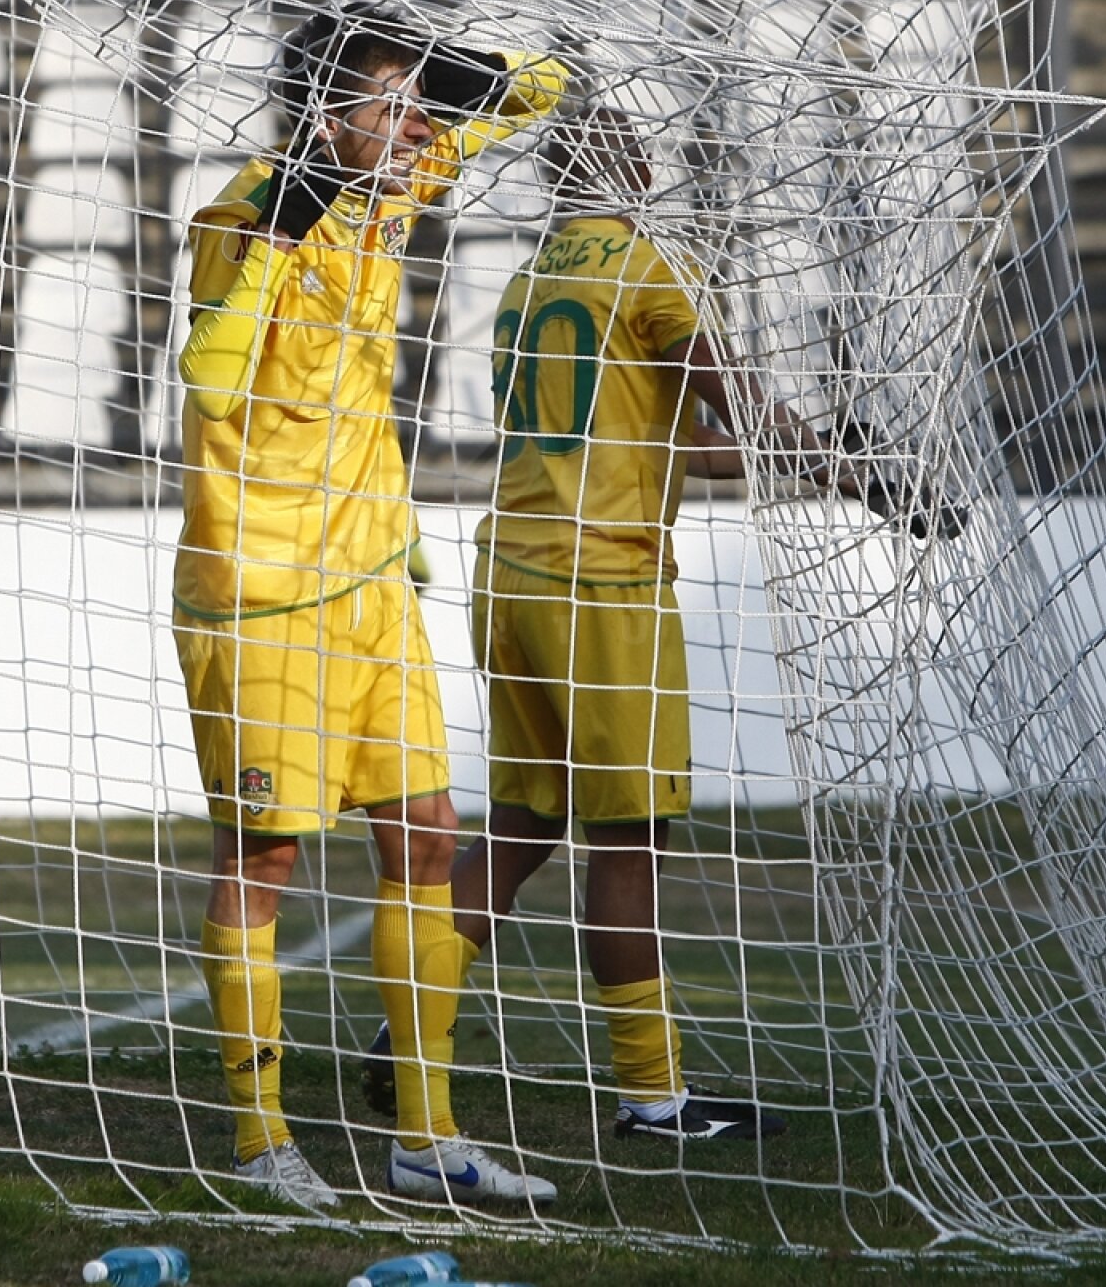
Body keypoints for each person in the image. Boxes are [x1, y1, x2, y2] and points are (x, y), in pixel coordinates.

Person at [363, 106, 960, 1145]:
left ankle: (414, 1018)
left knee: (521, 826)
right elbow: (737, 406)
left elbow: (659, 443)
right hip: (604, 588)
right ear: (633, 164)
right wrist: (856, 467)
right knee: (631, 839)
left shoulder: (531, 278)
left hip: (509, 576)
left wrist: (825, 464)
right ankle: (654, 1098)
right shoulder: (643, 265)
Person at [172, 1, 568, 1210]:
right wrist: (294, 215)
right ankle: (259, 1136)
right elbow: (210, 372)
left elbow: (539, 87)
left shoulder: (390, 187)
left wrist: (445, 75)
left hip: (375, 578)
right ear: (321, 116)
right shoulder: (240, 214)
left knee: (430, 835)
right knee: (268, 853)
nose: (407, 130)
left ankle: (425, 1132)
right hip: (263, 589)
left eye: (411, 106)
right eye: (380, 107)